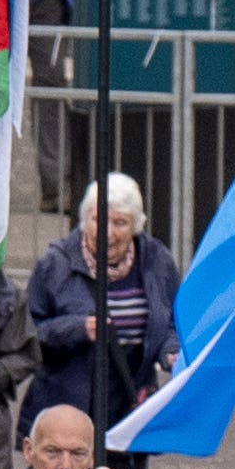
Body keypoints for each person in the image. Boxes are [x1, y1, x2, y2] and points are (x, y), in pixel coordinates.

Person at [22, 178, 176, 454]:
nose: (107, 232)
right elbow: (28, 333)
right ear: (84, 220)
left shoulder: (156, 260)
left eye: (120, 223)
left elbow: (170, 323)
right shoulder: (55, 264)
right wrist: (79, 329)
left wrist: (171, 352)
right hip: (68, 406)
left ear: (136, 226)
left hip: (128, 406)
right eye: (98, 220)